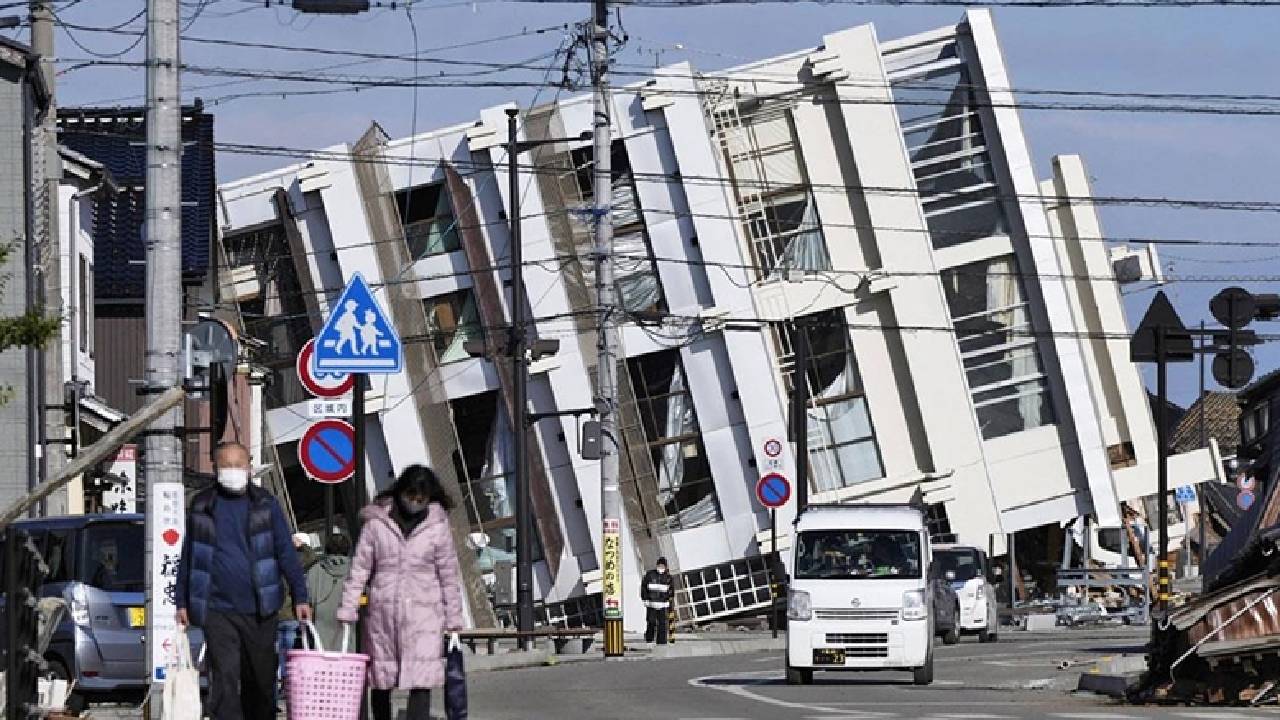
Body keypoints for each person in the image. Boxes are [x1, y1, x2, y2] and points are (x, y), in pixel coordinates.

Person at [176, 441, 312, 720]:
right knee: (224, 678)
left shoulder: (265, 504)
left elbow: (285, 551)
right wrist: (181, 601)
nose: (233, 471)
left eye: (238, 465)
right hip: (217, 609)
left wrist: (300, 595)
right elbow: (189, 555)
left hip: (261, 608)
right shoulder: (202, 505)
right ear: (215, 468)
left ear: (249, 467)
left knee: (260, 680)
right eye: (226, 465)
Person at [338, 465, 464, 720]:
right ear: (401, 491)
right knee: (381, 678)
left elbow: (449, 575)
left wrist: (453, 617)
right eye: (411, 495)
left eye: (422, 499)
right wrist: (349, 606)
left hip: (424, 611)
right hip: (383, 610)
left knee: (421, 679)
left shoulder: (437, 527)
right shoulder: (376, 525)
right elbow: (360, 568)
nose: (415, 503)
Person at [306, 532, 353, 652]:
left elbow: (308, 597)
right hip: (347, 620)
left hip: (320, 621)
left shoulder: (314, 570)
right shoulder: (355, 571)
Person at [641, 557, 673, 645]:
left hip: (663, 604)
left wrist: (668, 600)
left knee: (662, 624)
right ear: (657, 565)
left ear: (666, 567)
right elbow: (644, 587)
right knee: (651, 622)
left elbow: (671, 590)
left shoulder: (668, 577)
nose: (661, 567)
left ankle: (661, 641)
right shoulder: (650, 575)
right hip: (651, 603)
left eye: (663, 566)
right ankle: (649, 638)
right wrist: (645, 599)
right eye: (660, 565)